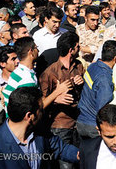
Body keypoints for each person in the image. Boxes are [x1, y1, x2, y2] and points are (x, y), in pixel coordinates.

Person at [0, 87, 79, 168]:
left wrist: (85, 155)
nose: (43, 112)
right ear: (29, 116)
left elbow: (61, 149)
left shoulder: (40, 132)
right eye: (41, 110)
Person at [39, 32, 84, 169]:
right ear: (71, 50)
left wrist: (82, 84)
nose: (79, 48)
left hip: (77, 124)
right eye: (77, 46)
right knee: (66, 165)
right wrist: (56, 99)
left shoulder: (79, 66)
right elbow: (42, 104)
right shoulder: (49, 73)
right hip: (60, 127)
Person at [1, 37, 71, 108]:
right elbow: (36, 108)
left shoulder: (18, 72)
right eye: (36, 48)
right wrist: (58, 91)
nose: (38, 50)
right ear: (31, 52)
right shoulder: (27, 79)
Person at [77, 40, 116, 139]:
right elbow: (102, 107)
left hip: (81, 122)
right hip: (93, 127)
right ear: (115, 58)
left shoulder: (92, 66)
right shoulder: (105, 78)